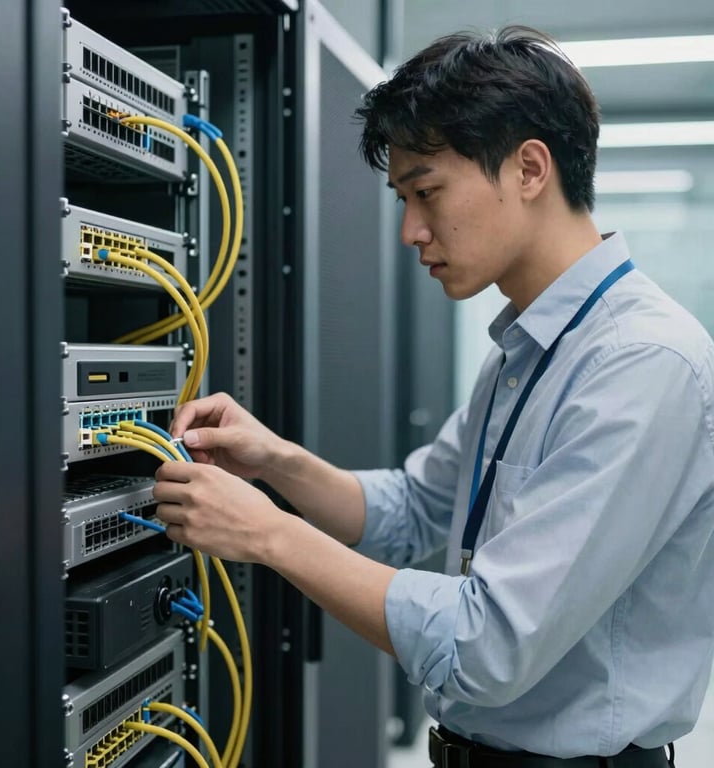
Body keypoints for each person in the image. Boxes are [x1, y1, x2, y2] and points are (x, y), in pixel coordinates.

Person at [153, 25, 714, 768]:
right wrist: (277, 462)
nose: (411, 231)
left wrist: (268, 535)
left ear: (530, 169)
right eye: (402, 198)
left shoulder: (640, 364)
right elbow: (416, 510)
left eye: (426, 191)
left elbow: (488, 645)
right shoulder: (530, 348)